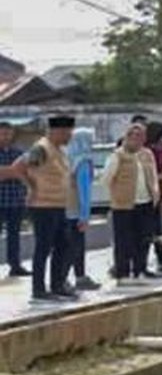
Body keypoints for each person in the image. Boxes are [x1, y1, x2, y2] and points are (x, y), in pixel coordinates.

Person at [1, 114, 79, 301]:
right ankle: (39, 289)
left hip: (58, 204)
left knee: (63, 245)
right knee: (43, 248)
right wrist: (31, 186)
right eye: (67, 133)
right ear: (57, 131)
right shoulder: (41, 149)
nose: (69, 137)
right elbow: (18, 167)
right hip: (43, 205)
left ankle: (57, 284)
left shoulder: (58, 150)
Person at [102, 123, 160, 284]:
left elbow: (153, 175)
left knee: (143, 239)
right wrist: (117, 192)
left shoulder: (147, 154)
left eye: (139, 136)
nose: (136, 139)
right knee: (124, 241)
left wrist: (155, 193)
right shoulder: (118, 155)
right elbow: (106, 178)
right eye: (132, 135)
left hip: (145, 202)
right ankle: (123, 273)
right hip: (123, 204)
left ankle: (140, 269)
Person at [64, 127, 100, 291]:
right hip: (76, 210)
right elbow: (84, 191)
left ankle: (75, 277)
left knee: (66, 246)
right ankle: (69, 277)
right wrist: (85, 216)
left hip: (64, 208)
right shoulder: (83, 162)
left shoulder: (66, 158)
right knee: (75, 247)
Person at [0, 122, 31, 278]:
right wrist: (14, 171)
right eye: (2, 133)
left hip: (16, 200)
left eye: (8, 134)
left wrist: (9, 172)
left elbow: (26, 173)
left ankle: (15, 265)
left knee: (14, 235)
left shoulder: (18, 153)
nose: (5, 137)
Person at [144, 121, 162, 276]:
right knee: (152, 231)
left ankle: (159, 261)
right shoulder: (149, 152)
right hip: (150, 195)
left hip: (154, 195)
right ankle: (157, 262)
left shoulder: (158, 151)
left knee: (155, 230)